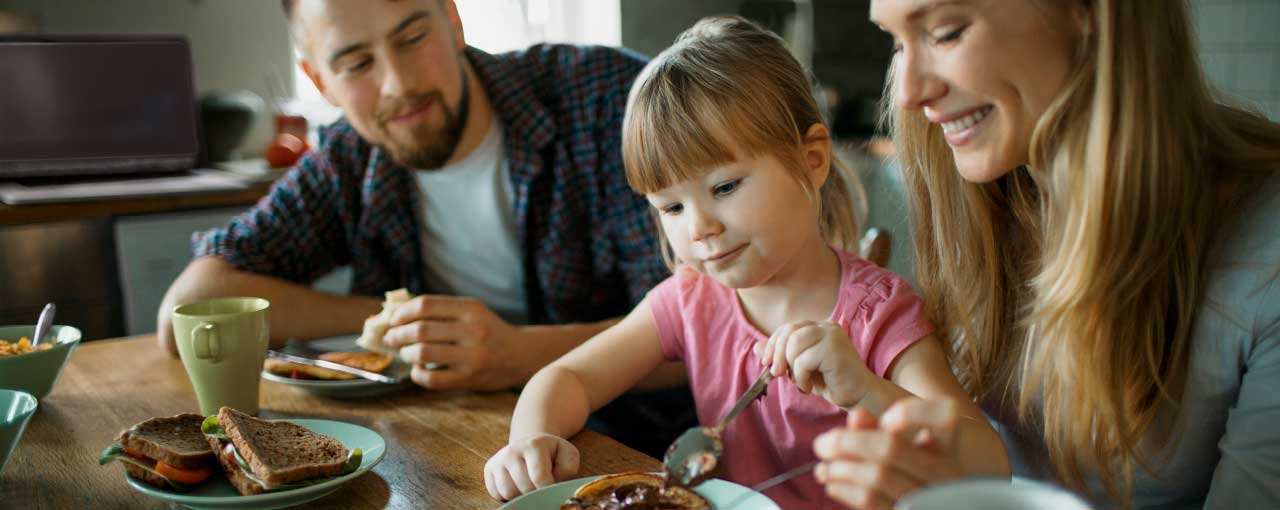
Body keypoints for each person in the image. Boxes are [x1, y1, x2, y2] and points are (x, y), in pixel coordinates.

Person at [482, 16, 1008, 508]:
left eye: (725, 186)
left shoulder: (876, 312)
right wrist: (531, 440)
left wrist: (867, 392)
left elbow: (990, 461)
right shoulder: (691, 301)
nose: (699, 227)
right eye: (671, 207)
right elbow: (569, 377)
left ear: (812, 160)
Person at [156, 0, 695, 456]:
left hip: (641, 449)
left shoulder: (608, 98)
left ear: (454, 21)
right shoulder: (347, 158)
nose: (399, 83)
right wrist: (406, 323)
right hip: (444, 449)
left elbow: (715, 319)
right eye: (356, 63)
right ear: (322, 83)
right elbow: (195, 301)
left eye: (413, 37)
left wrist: (518, 352)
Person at [815, 0, 1280, 508]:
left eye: (946, 33)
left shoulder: (1263, 246)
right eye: (897, 42)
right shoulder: (982, 190)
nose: (908, 94)